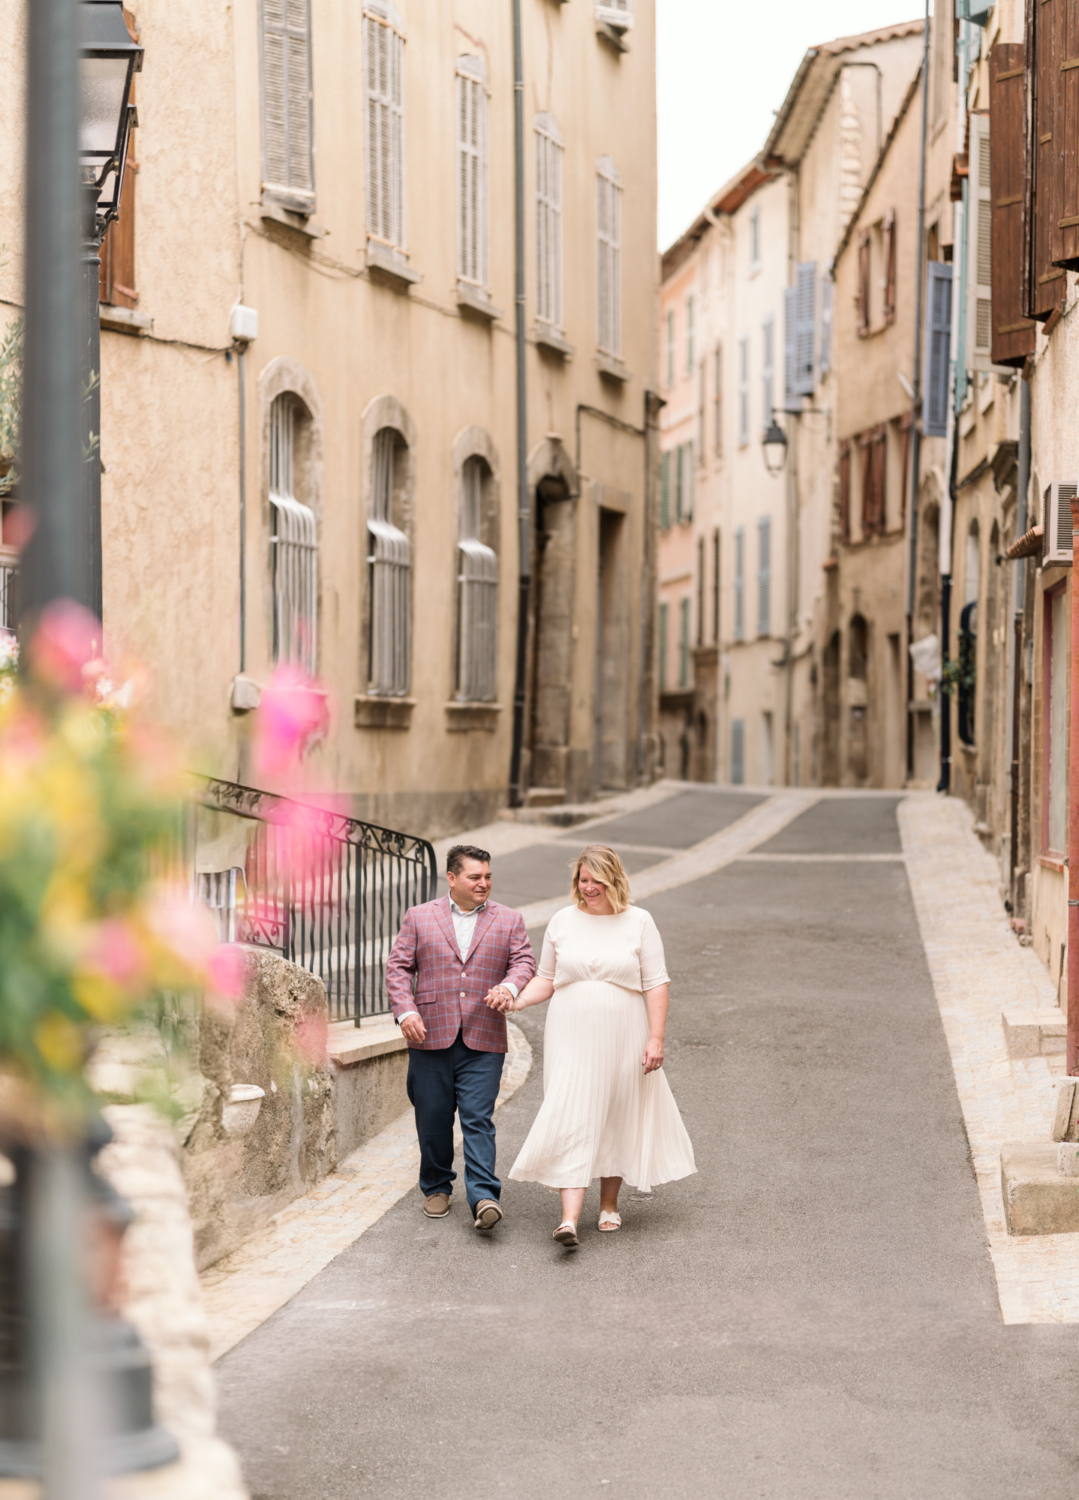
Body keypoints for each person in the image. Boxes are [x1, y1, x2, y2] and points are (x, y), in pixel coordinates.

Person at [490, 843, 695, 1247]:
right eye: (583, 880)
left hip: (625, 1031)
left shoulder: (639, 921)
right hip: (570, 1032)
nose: (588, 887)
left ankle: (608, 1205)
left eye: (596, 880)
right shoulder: (563, 921)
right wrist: (516, 999)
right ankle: (568, 1219)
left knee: (617, 1112)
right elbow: (546, 978)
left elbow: (656, 982)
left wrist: (656, 1038)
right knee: (572, 1109)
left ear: (612, 879)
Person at [385, 844, 536, 1231]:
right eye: (475, 877)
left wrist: (509, 986)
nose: (483, 883)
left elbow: (523, 962)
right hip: (429, 1033)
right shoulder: (419, 917)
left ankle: (484, 1195)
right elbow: (399, 967)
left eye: (487, 876)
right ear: (452, 879)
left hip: (484, 1035)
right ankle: (436, 1186)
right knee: (432, 1119)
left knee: (478, 1119)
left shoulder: (509, 919)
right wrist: (406, 1010)